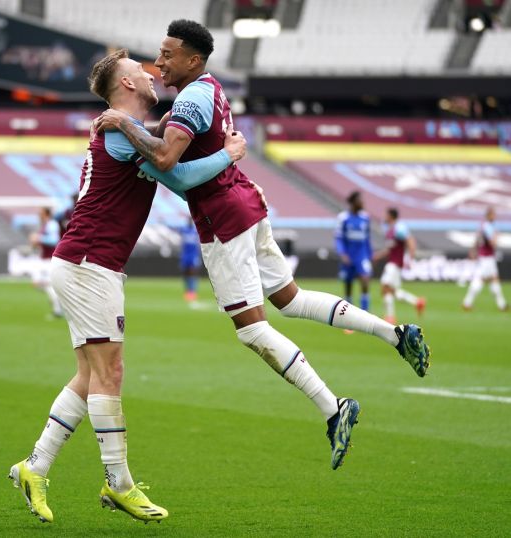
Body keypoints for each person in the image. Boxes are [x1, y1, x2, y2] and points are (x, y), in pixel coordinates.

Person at [95, 19, 431, 472]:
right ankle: (397, 335)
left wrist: (122, 122)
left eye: (168, 54)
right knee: (290, 301)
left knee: (252, 329)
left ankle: (334, 409)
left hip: (223, 216)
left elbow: (165, 158)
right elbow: (177, 157)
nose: (159, 63)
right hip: (245, 201)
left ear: (194, 60)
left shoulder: (191, 99)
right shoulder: (209, 89)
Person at [9, 48, 247, 525]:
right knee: (110, 372)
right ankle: (118, 483)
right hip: (88, 261)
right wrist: (228, 155)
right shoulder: (118, 134)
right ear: (128, 87)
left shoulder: (124, 129)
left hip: (90, 261)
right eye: (139, 70)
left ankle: (33, 467)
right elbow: (175, 173)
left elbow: (160, 143)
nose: (151, 71)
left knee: (89, 376)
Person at [373, 208, 426, 324]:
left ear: (391, 216)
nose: (384, 217)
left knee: (385, 288)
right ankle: (417, 302)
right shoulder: (390, 230)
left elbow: (410, 240)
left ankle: (390, 317)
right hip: (393, 263)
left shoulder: (399, 228)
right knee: (393, 291)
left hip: (394, 264)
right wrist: (378, 256)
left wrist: (411, 257)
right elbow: (390, 249)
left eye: (386, 214)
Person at [462, 206, 508, 311]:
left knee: (493, 280)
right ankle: (467, 302)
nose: (495, 216)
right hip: (486, 258)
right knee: (482, 280)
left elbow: (477, 239)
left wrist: (473, 250)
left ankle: (502, 304)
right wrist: (496, 236)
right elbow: (492, 243)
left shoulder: (483, 226)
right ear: (489, 215)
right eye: (493, 214)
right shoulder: (489, 227)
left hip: (487, 257)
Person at [335, 191, 373, 314]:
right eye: (360, 200)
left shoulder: (365, 218)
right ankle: (349, 316)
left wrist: (370, 255)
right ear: (353, 202)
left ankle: (365, 313)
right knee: (348, 286)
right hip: (348, 256)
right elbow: (339, 238)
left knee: (365, 280)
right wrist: (342, 253)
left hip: (361, 256)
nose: (362, 202)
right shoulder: (343, 218)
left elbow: (367, 239)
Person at [30, 207, 64, 319]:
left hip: (50, 259)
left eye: (41, 212)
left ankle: (58, 309)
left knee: (49, 285)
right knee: (38, 283)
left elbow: (54, 240)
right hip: (43, 259)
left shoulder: (52, 224)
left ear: (46, 213)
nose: (38, 214)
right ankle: (58, 304)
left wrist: (39, 238)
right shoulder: (44, 225)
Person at [179, 217, 201, 301]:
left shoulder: (195, 231)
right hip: (185, 255)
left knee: (192, 273)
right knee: (185, 273)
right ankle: (187, 291)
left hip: (193, 255)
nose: (189, 222)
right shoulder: (184, 230)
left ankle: (192, 292)